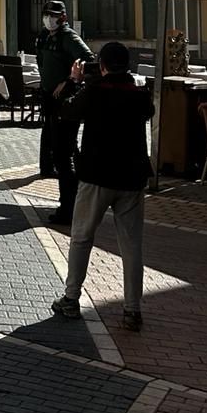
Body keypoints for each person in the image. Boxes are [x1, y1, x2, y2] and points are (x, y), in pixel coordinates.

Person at [51, 40, 154, 333]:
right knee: (132, 246)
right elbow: (149, 110)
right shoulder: (139, 94)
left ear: (103, 65)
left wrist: (74, 80)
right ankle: (132, 310)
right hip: (132, 179)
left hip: (97, 175)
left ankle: (71, 298)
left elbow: (67, 111)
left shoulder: (94, 91)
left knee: (82, 237)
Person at [36, 0, 91, 223]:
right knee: (57, 151)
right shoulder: (44, 36)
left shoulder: (69, 38)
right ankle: (72, 202)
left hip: (66, 100)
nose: (49, 18)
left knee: (63, 153)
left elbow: (88, 60)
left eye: (53, 15)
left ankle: (70, 208)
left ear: (63, 18)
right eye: (46, 14)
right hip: (49, 98)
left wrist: (69, 80)